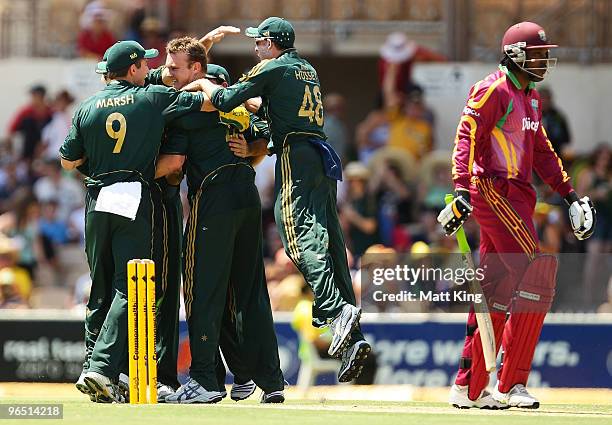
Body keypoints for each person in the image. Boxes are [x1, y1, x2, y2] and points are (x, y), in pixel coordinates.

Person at [195, 17, 371, 383]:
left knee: (299, 237)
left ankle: (337, 312)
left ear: (272, 44)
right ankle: (352, 337)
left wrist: (201, 81)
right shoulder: (305, 69)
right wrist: (258, 131)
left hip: (298, 157)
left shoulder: (270, 67)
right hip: (322, 157)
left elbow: (227, 99)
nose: (255, 48)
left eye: (260, 42)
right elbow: (275, 110)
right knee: (331, 242)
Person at [437, 22, 596, 409]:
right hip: (494, 189)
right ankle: (510, 385)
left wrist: (569, 194)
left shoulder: (531, 98)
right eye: (537, 53)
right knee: (536, 271)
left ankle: (470, 387)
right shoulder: (494, 88)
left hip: (520, 196)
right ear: (515, 54)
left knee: (497, 290)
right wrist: (461, 189)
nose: (544, 59)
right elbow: (466, 135)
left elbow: (541, 150)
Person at [60, 40, 210, 403]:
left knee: (100, 285)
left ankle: (92, 370)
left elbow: (67, 162)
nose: (149, 70)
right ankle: (103, 367)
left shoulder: (86, 107)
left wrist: (100, 168)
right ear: (132, 69)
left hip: (96, 200)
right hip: (131, 196)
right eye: (145, 65)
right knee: (130, 286)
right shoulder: (151, 99)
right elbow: (203, 102)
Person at [154, 39, 285, 403]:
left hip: (213, 199)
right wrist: (253, 151)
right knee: (250, 293)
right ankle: (270, 381)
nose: (171, 76)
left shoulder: (189, 106)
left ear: (200, 76)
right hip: (247, 198)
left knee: (202, 292)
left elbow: (175, 164)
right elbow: (264, 138)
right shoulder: (241, 107)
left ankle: (205, 380)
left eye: (176, 70)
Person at [539, 87, 571, 157]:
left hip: (555, 155)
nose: (544, 101)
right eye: (542, 98)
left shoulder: (558, 116)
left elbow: (567, 138)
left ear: (550, 99)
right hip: (536, 157)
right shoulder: (532, 115)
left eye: (547, 98)